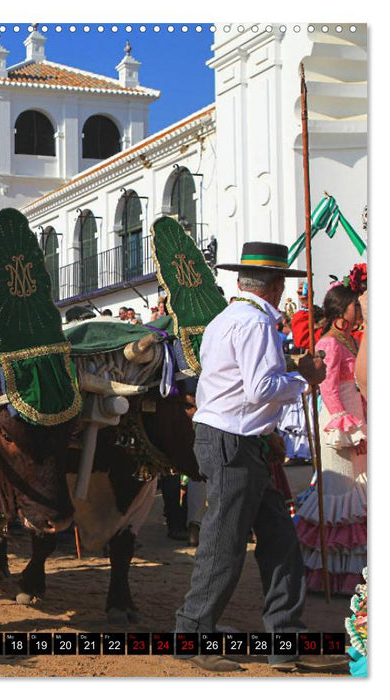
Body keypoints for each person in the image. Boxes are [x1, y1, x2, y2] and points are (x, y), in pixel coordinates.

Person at [174, 241, 345, 673]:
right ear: (274, 286)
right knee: (224, 543)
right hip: (233, 441)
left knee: (280, 542)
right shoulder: (254, 325)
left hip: (236, 439)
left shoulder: (228, 319)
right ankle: (192, 634)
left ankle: (285, 638)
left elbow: (237, 388)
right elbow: (260, 389)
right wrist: (302, 377)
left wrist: (268, 429)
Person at [294, 282, 366, 595]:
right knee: (340, 494)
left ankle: (351, 572)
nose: (359, 310)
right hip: (339, 426)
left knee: (357, 492)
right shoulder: (330, 343)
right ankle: (330, 575)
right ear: (341, 310)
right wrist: (344, 426)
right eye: (355, 305)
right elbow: (328, 387)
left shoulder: (349, 340)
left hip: (356, 419)